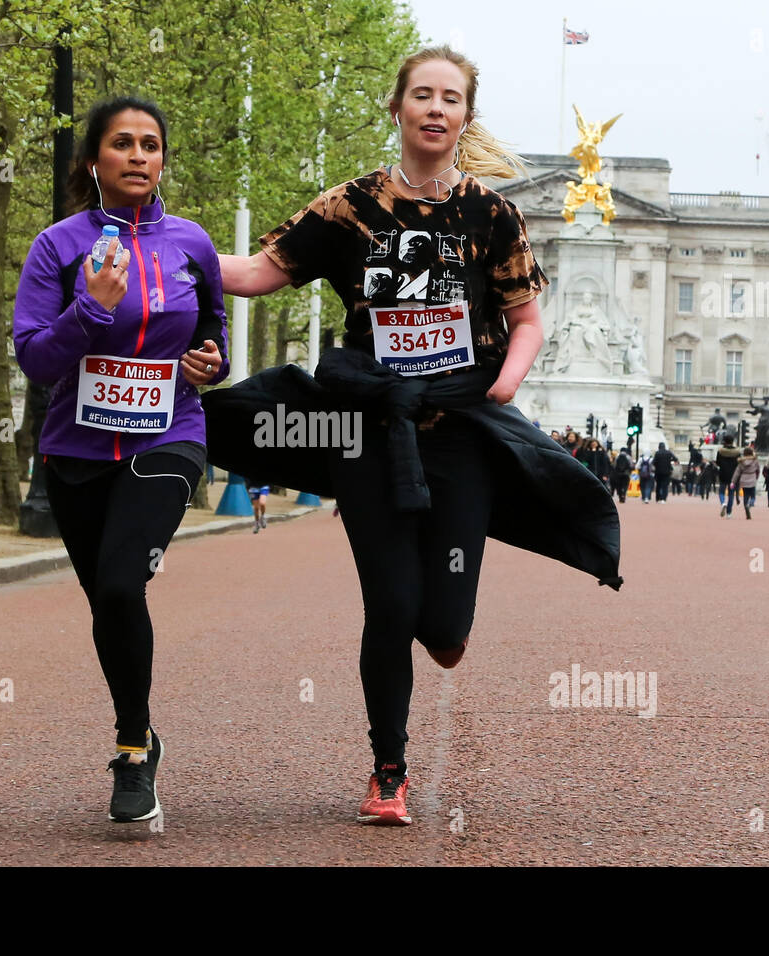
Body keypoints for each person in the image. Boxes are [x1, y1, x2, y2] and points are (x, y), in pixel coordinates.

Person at [207, 46, 620, 827]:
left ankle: (445, 630)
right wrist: (167, 250)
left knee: (444, 625)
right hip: (373, 427)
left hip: (463, 430)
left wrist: (506, 382)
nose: (435, 109)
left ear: (465, 117)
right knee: (391, 606)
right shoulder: (347, 208)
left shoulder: (492, 214)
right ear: (397, 108)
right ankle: (387, 769)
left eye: (451, 99)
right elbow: (258, 271)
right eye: (422, 95)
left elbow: (528, 318)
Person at [12, 97, 227, 824]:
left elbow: (214, 337)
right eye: (123, 144)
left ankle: (132, 752)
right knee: (110, 599)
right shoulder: (58, 246)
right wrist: (91, 312)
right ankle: (141, 730)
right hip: (75, 448)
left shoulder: (191, 243)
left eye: (152, 145)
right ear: (94, 161)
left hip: (169, 435)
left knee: (119, 577)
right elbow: (37, 360)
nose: (139, 156)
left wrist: (209, 363)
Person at [730, 446, 761, 519]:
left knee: (746, 495)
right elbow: (758, 470)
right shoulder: (755, 460)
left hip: (743, 479)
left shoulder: (741, 462)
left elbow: (737, 472)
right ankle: (750, 504)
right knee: (753, 495)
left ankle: (746, 506)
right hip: (752, 477)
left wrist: (733, 482)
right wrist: (756, 477)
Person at [715, 432, 741, 517]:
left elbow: (718, 462)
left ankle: (723, 503)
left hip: (723, 474)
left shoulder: (721, 451)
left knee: (721, 491)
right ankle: (729, 513)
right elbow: (739, 463)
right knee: (731, 493)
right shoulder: (737, 452)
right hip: (733, 476)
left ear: (724, 441)